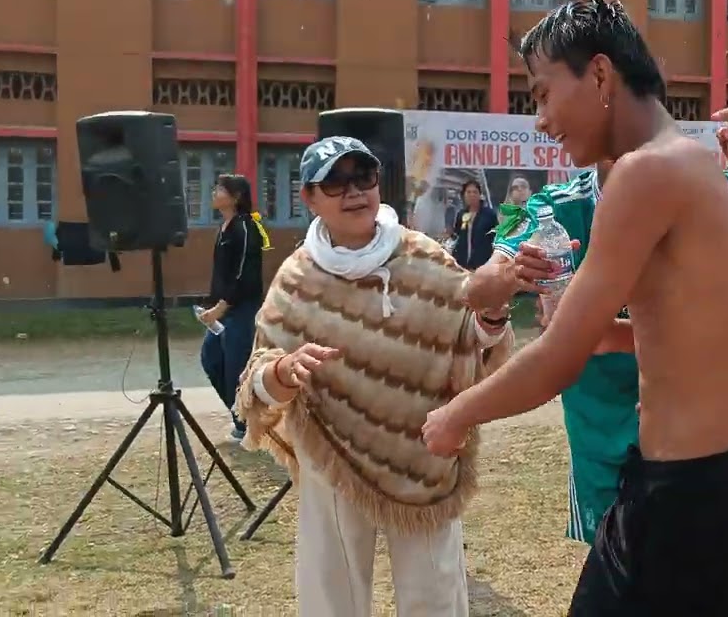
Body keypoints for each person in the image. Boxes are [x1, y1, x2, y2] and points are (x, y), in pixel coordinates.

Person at [422, 0, 728, 616]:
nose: (539, 119)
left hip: (688, 508)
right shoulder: (697, 166)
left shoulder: (643, 174)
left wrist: (455, 414)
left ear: (599, 74)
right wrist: (616, 336)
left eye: (541, 93)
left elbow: (556, 360)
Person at [465, 109, 728, 546]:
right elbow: (477, 288)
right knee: (615, 561)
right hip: (597, 417)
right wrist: (511, 274)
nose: (545, 119)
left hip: (688, 422)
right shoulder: (555, 208)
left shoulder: (703, 190)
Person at [233, 136, 513, 617]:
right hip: (333, 453)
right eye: (335, 181)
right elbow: (257, 379)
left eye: (363, 176)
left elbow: (474, 342)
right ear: (309, 198)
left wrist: (492, 313)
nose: (353, 191)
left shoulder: (424, 257)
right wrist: (283, 370)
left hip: (421, 451)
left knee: (435, 592)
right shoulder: (297, 278)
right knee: (331, 590)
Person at [198, 174, 269, 442]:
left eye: (220, 189)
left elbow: (242, 275)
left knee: (236, 368)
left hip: (241, 311)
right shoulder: (224, 226)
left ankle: (249, 426)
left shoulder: (246, 227)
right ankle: (242, 417)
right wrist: (211, 305)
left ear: (236, 197)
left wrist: (222, 307)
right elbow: (222, 275)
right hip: (223, 310)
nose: (214, 192)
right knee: (211, 359)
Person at [449, 179, 498, 269]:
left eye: (475, 192)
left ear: (480, 195)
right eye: (468, 192)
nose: (472, 195)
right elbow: (457, 236)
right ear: (464, 195)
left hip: (482, 264)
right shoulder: (461, 214)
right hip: (462, 263)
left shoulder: (489, 214)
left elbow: (496, 238)